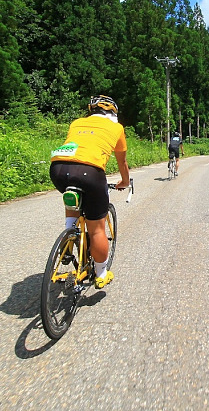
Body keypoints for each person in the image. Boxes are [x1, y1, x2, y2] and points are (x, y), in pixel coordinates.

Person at [50, 95, 131, 290]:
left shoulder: (77, 123)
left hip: (58, 168)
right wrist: (125, 182)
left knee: (73, 198)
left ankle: (69, 238)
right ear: (113, 112)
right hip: (90, 172)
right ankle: (101, 273)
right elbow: (122, 162)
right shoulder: (117, 128)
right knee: (96, 229)